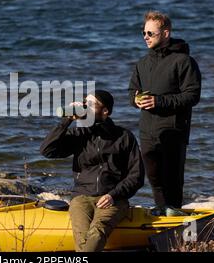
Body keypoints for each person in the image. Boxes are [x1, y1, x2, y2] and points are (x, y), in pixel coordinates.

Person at [40, 90, 144, 252]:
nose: (85, 107)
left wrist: (113, 195)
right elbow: (47, 151)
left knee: (96, 232)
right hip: (82, 197)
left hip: (113, 198)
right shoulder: (79, 134)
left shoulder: (124, 137)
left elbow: (136, 176)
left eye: (91, 104)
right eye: (84, 103)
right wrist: (67, 120)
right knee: (82, 236)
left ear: (105, 111)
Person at [128, 11, 201, 214]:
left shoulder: (184, 61)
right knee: (153, 176)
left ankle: (174, 215)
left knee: (172, 178)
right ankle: (161, 211)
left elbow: (192, 96)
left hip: (174, 129)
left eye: (150, 33)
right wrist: (135, 99)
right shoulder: (142, 63)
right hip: (147, 130)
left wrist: (159, 102)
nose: (145, 37)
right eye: (144, 33)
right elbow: (131, 91)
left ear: (166, 33)